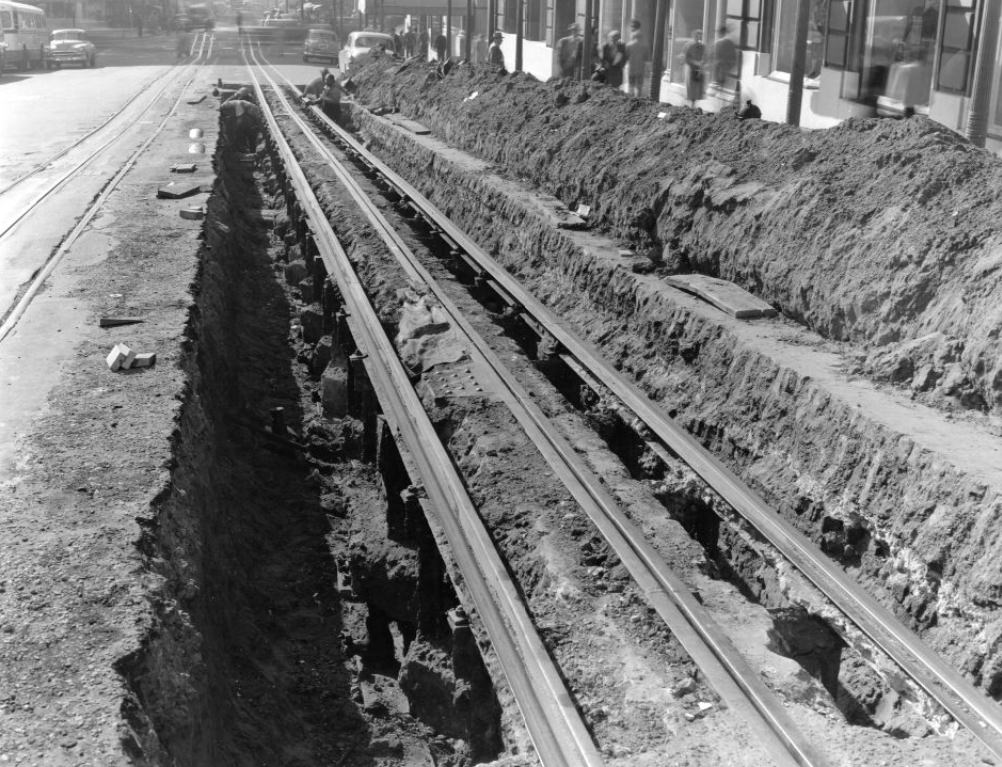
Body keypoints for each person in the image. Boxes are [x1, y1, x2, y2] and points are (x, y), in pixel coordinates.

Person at [625, 21, 648, 97]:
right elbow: (646, 58)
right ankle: (638, 98)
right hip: (641, 69)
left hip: (631, 68)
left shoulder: (629, 45)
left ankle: (631, 98)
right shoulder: (644, 45)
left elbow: (626, 56)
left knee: (631, 85)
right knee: (639, 86)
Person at [683, 29, 705, 105]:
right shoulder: (688, 45)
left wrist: (702, 63)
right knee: (691, 87)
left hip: (699, 69)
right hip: (690, 68)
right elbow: (686, 58)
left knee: (697, 87)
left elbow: (705, 56)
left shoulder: (702, 46)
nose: (699, 37)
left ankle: (694, 103)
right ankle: (691, 104)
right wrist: (695, 62)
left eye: (700, 35)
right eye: (697, 35)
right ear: (693, 36)